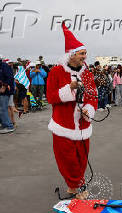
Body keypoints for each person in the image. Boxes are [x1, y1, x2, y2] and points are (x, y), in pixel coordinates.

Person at [46, 22, 98, 199]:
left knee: (82, 158)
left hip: (83, 125)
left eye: (85, 53)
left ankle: (76, 185)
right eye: (82, 53)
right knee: (67, 159)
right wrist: (69, 88)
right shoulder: (56, 72)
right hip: (63, 125)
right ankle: (76, 186)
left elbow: (93, 95)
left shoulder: (87, 73)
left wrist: (89, 109)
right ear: (72, 54)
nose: (85, 56)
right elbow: (51, 96)